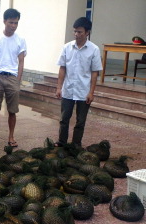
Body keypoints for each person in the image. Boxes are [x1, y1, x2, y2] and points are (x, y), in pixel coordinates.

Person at [55, 17, 103, 147]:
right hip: (68, 89)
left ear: (87, 32)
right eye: (75, 31)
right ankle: (61, 142)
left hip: (83, 90)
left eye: (80, 32)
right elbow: (62, 68)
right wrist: (59, 88)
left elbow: (94, 72)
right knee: (64, 119)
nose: (77, 34)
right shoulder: (67, 47)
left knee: (80, 121)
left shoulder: (94, 50)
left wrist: (91, 92)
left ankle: (76, 144)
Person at [0, 8, 27, 148]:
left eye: (16, 23)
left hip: (12, 77)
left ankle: (11, 137)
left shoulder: (20, 40)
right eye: (11, 22)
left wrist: (18, 79)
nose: (13, 26)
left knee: (12, 110)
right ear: (4, 21)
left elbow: (21, 61)